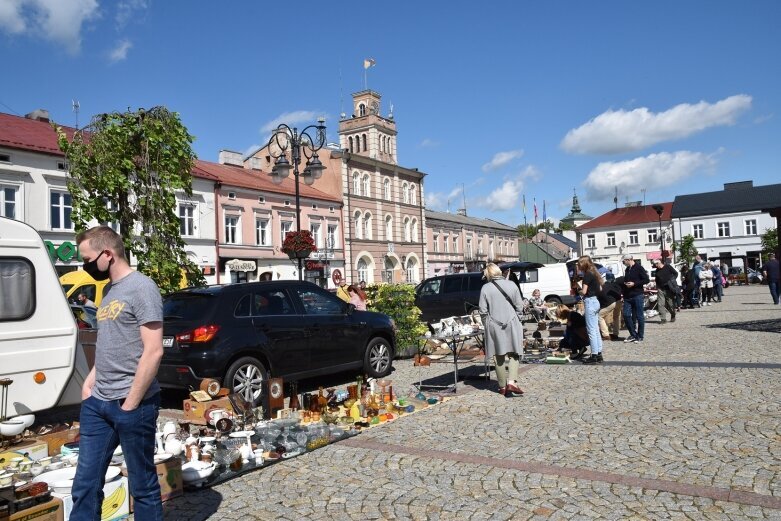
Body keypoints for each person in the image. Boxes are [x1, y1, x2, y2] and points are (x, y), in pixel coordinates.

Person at [70, 226, 163, 521]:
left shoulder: (143, 287)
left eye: (88, 259)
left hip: (133, 403)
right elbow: (111, 339)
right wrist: (91, 378)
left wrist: (131, 403)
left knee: (142, 485)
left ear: (107, 254)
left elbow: (154, 350)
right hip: (98, 403)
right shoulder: (109, 291)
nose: (85, 266)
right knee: (85, 484)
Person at [479, 263, 524, 397]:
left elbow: (482, 310)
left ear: (488, 274)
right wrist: (518, 318)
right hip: (512, 322)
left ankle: (502, 387)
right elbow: (519, 305)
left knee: (498, 355)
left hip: (494, 323)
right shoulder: (511, 284)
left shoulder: (485, 288)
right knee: (514, 353)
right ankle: (512, 382)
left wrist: (486, 323)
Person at [576, 255, 604, 364]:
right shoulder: (595, 274)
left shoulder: (587, 275)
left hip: (590, 302)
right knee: (596, 329)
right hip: (596, 301)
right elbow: (600, 288)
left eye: (579, 264)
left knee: (591, 330)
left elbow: (583, 291)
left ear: (583, 264)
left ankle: (594, 355)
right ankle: (599, 353)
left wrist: (579, 290)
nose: (578, 266)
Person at [621, 254, 650, 343]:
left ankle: (640, 336)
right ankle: (633, 334)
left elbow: (646, 279)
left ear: (629, 259)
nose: (623, 263)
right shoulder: (627, 269)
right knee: (626, 314)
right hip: (628, 296)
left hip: (637, 294)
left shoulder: (638, 267)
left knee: (639, 316)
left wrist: (634, 284)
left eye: (624, 261)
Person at [653, 259, 678, 323]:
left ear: (659, 263)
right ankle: (663, 319)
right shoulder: (657, 270)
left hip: (669, 288)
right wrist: (657, 287)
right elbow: (656, 280)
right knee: (660, 304)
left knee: (670, 304)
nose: (655, 266)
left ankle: (673, 315)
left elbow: (675, 273)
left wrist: (672, 280)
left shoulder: (668, 267)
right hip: (660, 289)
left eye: (656, 264)